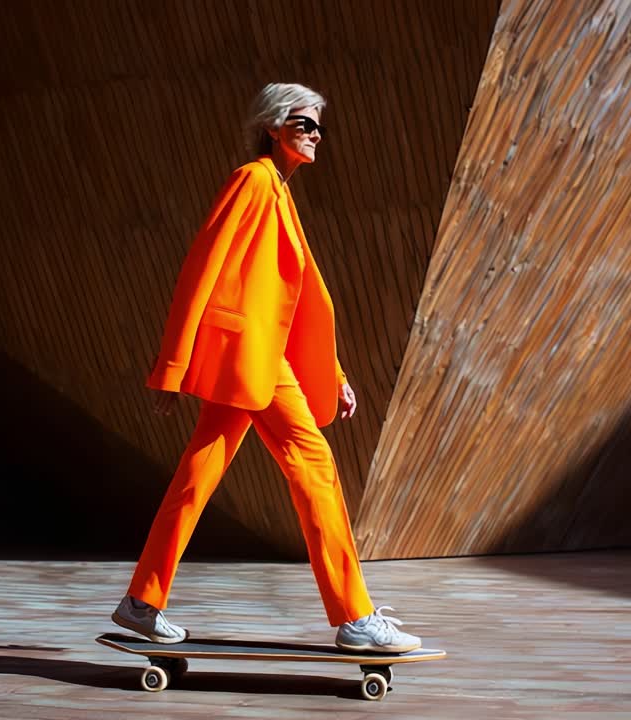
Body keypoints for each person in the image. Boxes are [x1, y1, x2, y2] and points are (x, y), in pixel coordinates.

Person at [112, 83, 421, 653]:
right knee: (315, 469)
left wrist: (337, 375)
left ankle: (142, 601)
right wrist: (172, 366)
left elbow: (294, 303)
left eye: (319, 127)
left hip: (259, 363)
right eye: (305, 124)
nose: (315, 135)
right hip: (246, 361)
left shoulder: (278, 190)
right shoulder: (253, 180)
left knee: (196, 479)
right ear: (274, 127)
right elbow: (200, 268)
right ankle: (355, 618)